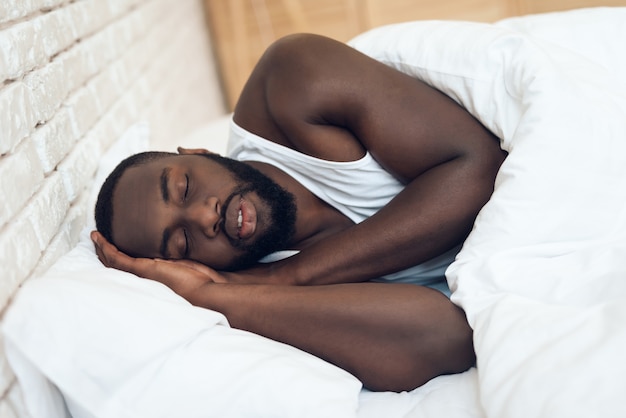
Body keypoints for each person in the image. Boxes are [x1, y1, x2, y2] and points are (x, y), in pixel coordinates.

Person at [91, 33, 507, 391]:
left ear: (199, 153)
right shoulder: (257, 295)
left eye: (184, 187)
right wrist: (210, 297)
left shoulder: (290, 85)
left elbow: (478, 167)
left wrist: (288, 275)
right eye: (181, 243)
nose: (204, 218)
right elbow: (442, 337)